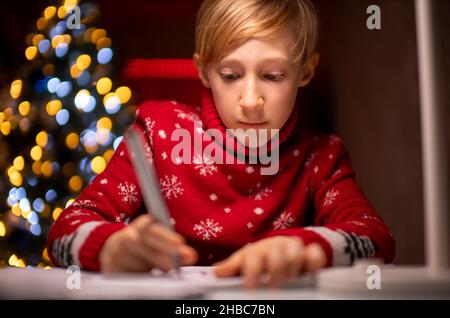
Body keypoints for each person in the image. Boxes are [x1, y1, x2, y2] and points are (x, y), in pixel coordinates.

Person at [47, 0, 395, 288]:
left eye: (273, 76)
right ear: (203, 70)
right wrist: (110, 247)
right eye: (230, 76)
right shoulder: (158, 133)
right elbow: (64, 230)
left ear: (305, 71)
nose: (250, 100)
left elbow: (374, 237)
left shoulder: (321, 157)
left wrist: (307, 249)